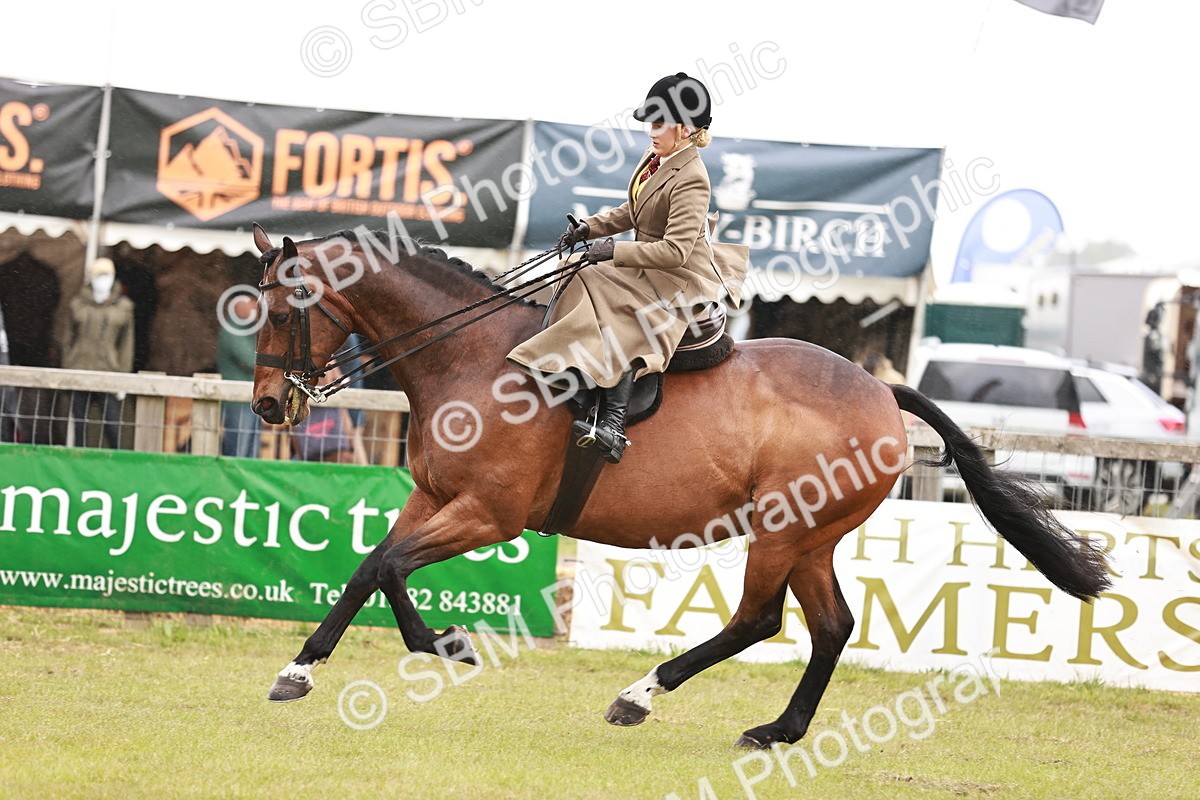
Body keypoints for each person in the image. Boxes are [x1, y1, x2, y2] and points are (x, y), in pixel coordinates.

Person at [507, 72, 748, 463]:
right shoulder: (658, 157)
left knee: (597, 285)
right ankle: (579, 366)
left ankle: (613, 421)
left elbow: (675, 252)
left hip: (678, 278)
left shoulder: (693, 179)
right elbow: (633, 212)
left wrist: (612, 252)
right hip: (649, 263)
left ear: (685, 129)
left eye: (657, 123)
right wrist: (590, 228)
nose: (649, 131)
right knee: (577, 270)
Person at [61, 257, 135, 449]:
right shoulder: (77, 304)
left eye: (107, 276)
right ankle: (78, 466)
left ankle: (116, 464)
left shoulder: (124, 307)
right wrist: (67, 369)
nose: (104, 280)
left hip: (108, 370)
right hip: (80, 370)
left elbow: (126, 346)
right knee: (80, 426)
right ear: (91, 278)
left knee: (112, 425)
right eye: (99, 276)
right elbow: (67, 340)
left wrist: (123, 378)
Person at [217, 294, 263, 458]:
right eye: (250, 305)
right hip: (236, 400)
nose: (255, 308)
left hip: (249, 399)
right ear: (238, 308)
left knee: (250, 449)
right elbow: (251, 361)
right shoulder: (232, 330)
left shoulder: (247, 330)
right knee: (238, 448)